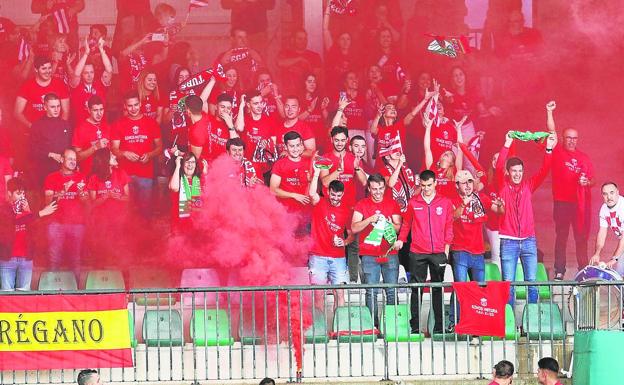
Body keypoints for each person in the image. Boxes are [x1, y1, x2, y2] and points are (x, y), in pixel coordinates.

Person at [496, 130, 557, 305]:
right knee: (508, 284)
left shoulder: (528, 186)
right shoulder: (503, 186)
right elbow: (499, 166)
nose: (517, 174)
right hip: (508, 241)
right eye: (513, 171)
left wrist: (549, 149)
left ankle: (531, 323)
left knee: (532, 283)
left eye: (520, 171)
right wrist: (507, 144)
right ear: (508, 172)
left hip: (529, 240)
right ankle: (510, 324)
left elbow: (545, 170)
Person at [395, 169, 453, 334]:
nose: (426, 188)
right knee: (416, 289)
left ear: (435, 183)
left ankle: (439, 327)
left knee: (437, 288)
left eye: (429, 185)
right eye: (423, 185)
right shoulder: (413, 203)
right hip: (417, 252)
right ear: (419, 184)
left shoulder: (445, 202)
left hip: (438, 252)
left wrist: (446, 250)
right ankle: (415, 327)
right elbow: (406, 224)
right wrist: (401, 240)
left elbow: (449, 227)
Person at [447, 169, 503, 330]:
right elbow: (452, 217)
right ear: (457, 185)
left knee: (478, 289)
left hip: (478, 251)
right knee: (460, 287)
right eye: (464, 183)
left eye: (470, 182)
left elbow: (498, 211)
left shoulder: (480, 198)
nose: (468, 186)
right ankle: (454, 322)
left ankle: (477, 322)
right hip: (460, 250)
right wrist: (463, 203)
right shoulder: (452, 199)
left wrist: (500, 205)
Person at [546, 101, 594, 279]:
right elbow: (551, 132)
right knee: (562, 238)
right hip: (561, 203)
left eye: (575, 138)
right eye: (568, 137)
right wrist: (549, 112)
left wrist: (587, 182)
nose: (572, 141)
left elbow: (593, 179)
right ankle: (560, 271)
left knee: (581, 238)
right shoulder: (558, 152)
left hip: (580, 204)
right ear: (564, 138)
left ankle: (584, 270)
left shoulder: (584, 157)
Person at [351, 173, 402, 326]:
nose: (378, 192)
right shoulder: (362, 204)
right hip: (369, 255)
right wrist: (369, 220)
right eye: (374, 189)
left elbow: (399, 228)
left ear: (384, 187)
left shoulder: (392, 204)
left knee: (391, 291)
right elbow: (354, 227)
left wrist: (388, 224)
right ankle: (373, 326)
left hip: (390, 253)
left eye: (380, 188)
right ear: (369, 188)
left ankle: (393, 326)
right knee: (371, 291)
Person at [111, 91, 163, 218]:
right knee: (126, 211)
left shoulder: (151, 123)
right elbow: (114, 150)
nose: (133, 108)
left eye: (135, 105)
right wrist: (124, 153)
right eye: (130, 106)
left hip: (145, 173)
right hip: (125, 175)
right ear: (125, 106)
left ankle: (145, 235)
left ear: (140, 104)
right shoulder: (118, 124)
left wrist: (150, 155)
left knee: (145, 210)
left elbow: (160, 147)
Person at [308, 168, 353, 309]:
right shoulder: (320, 203)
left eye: (338, 196)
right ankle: (320, 330)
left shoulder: (347, 210)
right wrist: (316, 173)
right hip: (318, 256)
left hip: (338, 257)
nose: (335, 198)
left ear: (343, 194)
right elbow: (311, 193)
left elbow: (352, 234)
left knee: (340, 294)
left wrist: (344, 242)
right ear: (328, 192)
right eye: (333, 195)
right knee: (318, 295)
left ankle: (339, 330)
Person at [2, 177, 57, 291]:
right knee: (7, 295)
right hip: (7, 258)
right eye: (18, 193)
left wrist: (28, 211)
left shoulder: (28, 210)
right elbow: (14, 220)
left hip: (26, 259)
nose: (22, 196)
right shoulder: (3, 209)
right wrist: (40, 213)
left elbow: (35, 231)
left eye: (23, 193)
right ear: (9, 193)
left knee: (24, 296)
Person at [43, 148, 88, 276]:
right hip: (56, 223)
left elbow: (86, 201)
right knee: (54, 259)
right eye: (70, 159)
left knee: (76, 259)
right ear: (62, 159)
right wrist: (63, 191)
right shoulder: (51, 177)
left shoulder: (81, 177)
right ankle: (52, 292)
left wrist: (82, 194)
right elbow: (48, 202)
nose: (73, 162)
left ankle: (78, 294)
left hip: (77, 224)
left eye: (75, 159)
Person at [29, 93, 72, 186]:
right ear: (45, 107)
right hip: (45, 171)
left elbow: (70, 147)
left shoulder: (65, 125)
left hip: (63, 171)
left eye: (58, 106)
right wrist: (50, 154)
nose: (56, 110)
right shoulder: (37, 126)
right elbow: (32, 151)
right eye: (53, 107)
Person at [15, 56, 70, 129]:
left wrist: (58, 128)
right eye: (44, 68)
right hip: (34, 130)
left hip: (55, 129)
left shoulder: (60, 84)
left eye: (49, 68)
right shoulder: (27, 86)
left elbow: (66, 112)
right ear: (36, 69)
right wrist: (32, 127)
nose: (47, 71)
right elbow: (17, 113)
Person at [69, 36, 112, 124]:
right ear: (82, 74)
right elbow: (76, 74)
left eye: (91, 72)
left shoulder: (100, 84)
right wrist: (86, 53)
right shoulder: (77, 86)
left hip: (100, 127)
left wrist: (101, 50)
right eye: (86, 73)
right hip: (81, 127)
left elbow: (109, 70)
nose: (89, 75)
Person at [236, 91, 277, 182]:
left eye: (261, 102)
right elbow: (239, 128)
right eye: (255, 103)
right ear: (248, 104)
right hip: (247, 166)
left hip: (265, 169)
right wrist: (241, 106)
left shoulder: (270, 121)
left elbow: (274, 146)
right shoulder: (244, 119)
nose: (260, 106)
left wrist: (267, 146)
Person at [269, 131, 312, 215]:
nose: (295, 149)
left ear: (301, 145)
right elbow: (273, 190)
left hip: (305, 213)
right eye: (292, 146)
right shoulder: (279, 164)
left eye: (298, 145)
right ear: (285, 147)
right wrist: (294, 195)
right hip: (285, 213)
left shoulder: (309, 163)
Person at [424, 114, 464, 198]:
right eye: (445, 152)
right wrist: (428, 128)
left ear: (452, 162)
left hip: (448, 205)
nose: (447, 153)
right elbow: (427, 148)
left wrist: (459, 129)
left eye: (450, 154)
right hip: (433, 203)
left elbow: (460, 150)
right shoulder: (432, 168)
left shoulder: (455, 171)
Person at [589, 182, 624, 275]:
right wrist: (597, 253)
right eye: (605, 194)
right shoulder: (604, 209)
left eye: (612, 193)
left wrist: (614, 258)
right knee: (620, 274)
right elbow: (602, 233)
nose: (609, 197)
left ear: (617, 192)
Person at [276, 28, 322, 95]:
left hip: (307, 94)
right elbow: (279, 63)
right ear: (293, 40)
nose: (303, 41)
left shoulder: (315, 56)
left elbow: (317, 77)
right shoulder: (285, 53)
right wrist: (299, 59)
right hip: (289, 94)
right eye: (300, 39)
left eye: (305, 39)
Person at [73, 95, 110, 176]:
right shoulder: (80, 128)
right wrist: (95, 147)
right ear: (89, 110)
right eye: (95, 110)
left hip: (105, 175)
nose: (99, 113)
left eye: (101, 109)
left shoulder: (106, 126)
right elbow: (77, 157)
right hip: (88, 175)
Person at [169, 153, 206, 230]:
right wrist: (177, 166)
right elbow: (174, 187)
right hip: (179, 224)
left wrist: (205, 174)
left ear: (195, 165)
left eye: (192, 162)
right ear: (182, 164)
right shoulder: (177, 177)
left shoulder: (199, 180)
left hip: (196, 223)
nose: (190, 165)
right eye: (187, 162)